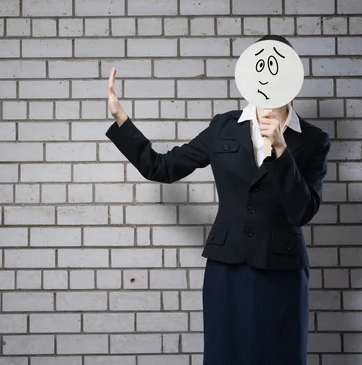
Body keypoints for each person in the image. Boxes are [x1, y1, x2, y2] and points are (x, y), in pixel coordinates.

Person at [104, 38, 331, 365]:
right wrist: (122, 120)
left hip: (283, 269)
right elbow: (162, 167)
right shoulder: (223, 127)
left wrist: (281, 151)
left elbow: (302, 210)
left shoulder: (313, 140)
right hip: (228, 266)